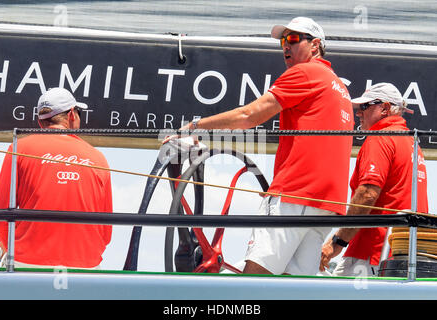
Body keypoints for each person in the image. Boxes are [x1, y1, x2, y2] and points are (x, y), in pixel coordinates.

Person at [175, 17, 354, 275]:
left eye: (293, 39)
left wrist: (194, 127)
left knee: (255, 281)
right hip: (327, 205)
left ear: (315, 46)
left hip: (296, 194)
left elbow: (250, 116)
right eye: (283, 40)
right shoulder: (339, 88)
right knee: (291, 288)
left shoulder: (305, 72)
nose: (285, 46)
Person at [0, 87, 113, 269]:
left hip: (27, 263)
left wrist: (16, 250)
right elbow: (106, 231)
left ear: (41, 121)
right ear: (72, 114)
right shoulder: (98, 157)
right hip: (86, 267)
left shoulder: (19, 148)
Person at [320, 82, 428, 277]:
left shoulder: (380, 138)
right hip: (406, 255)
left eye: (365, 106)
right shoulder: (413, 144)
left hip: (372, 252)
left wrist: (337, 242)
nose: (359, 113)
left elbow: (367, 194)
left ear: (385, 108)